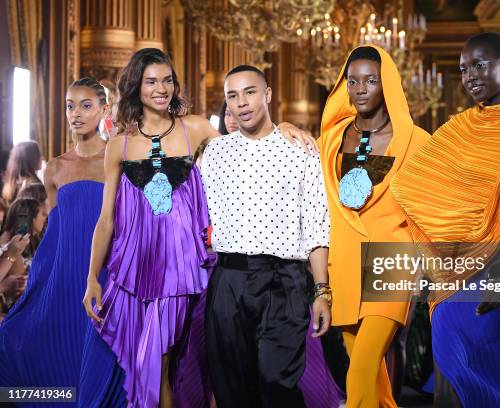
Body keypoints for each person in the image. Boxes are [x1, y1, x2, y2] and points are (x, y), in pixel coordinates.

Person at [81, 49, 315, 408]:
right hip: (136, 270)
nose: (162, 89)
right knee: (155, 364)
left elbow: (250, 143)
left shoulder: (197, 129)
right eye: (151, 82)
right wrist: (92, 278)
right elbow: (106, 219)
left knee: (168, 361)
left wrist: (283, 127)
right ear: (135, 88)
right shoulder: (119, 145)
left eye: (168, 80)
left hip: (184, 271)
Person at [391, 32, 500, 407]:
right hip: (456, 277)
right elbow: (411, 186)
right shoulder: (456, 130)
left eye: (479, 65)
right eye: (464, 69)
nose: (469, 76)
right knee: (453, 385)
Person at [202, 64, 333, 407]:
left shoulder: (301, 150)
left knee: (277, 382)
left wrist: (322, 291)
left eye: (250, 92)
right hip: (228, 280)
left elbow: (317, 227)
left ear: (268, 95)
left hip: (284, 281)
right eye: (233, 96)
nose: (242, 103)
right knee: (232, 388)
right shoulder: (215, 153)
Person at [318, 45, 430, 407]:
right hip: (344, 265)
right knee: (375, 382)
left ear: (388, 85)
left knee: (361, 370)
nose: (361, 88)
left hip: (392, 262)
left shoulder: (417, 143)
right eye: (353, 81)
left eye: (371, 80)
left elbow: (427, 210)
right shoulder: (330, 141)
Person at [0, 77, 109, 390]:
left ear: (103, 110)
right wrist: (37, 284)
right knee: (31, 346)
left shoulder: (116, 161)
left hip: (104, 272)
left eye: (86, 105)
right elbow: (56, 233)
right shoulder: (55, 168)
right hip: (62, 276)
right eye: (69, 105)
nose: (76, 113)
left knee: (99, 361)